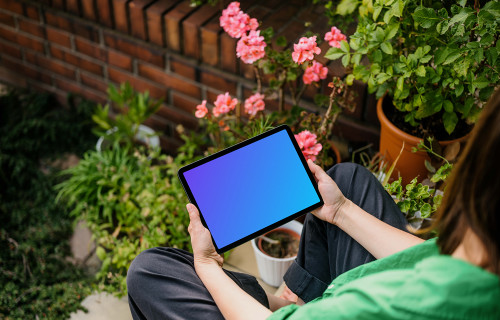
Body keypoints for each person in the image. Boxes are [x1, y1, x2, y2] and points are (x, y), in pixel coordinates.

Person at [127, 88, 500, 320]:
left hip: (336, 309)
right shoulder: (482, 273)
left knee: (150, 272)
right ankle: (293, 298)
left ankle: (281, 304)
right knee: (348, 180)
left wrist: (207, 266)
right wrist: (340, 211)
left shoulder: (382, 304)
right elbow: (430, 258)